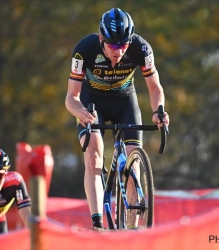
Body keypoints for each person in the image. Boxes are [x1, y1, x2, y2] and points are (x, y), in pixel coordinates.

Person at [65, 7, 170, 230]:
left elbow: (155, 88)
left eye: (123, 45)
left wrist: (158, 110)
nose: (119, 51)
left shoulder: (141, 48)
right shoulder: (84, 49)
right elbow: (71, 97)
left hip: (125, 101)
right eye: (113, 45)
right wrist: (80, 111)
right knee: (94, 155)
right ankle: (97, 223)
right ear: (101, 38)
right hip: (92, 101)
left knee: (134, 157)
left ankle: (133, 228)